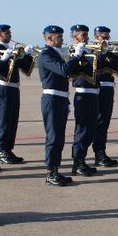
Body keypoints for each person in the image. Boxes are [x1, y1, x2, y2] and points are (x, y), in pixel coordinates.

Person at [37, 25, 86, 186]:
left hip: (60, 99)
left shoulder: (55, 54)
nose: (62, 39)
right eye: (59, 36)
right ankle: (51, 172)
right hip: (52, 100)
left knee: (58, 137)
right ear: (49, 38)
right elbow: (64, 70)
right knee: (53, 137)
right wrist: (77, 54)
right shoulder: (45, 55)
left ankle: (55, 170)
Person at [0, 24, 33, 165]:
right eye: (6, 33)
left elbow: (25, 69)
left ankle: (8, 149)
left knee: (13, 120)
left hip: (14, 88)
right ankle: (3, 150)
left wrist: (27, 55)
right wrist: (5, 58)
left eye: (9, 32)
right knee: (4, 120)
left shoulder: (12, 50)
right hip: (3, 88)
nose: (9, 35)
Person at [69, 24, 100, 176]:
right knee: (82, 130)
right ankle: (77, 161)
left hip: (93, 93)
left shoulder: (88, 51)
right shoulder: (74, 52)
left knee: (90, 129)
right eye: (83, 35)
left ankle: (81, 160)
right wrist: (78, 52)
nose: (86, 38)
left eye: (87, 35)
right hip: (83, 94)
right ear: (74, 37)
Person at [92, 25, 118, 167]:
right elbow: (95, 67)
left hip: (108, 87)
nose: (107, 39)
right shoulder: (91, 50)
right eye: (104, 37)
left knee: (105, 122)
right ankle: (98, 154)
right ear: (96, 37)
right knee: (99, 122)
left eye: (108, 37)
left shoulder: (109, 51)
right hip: (98, 88)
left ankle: (101, 152)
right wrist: (104, 53)